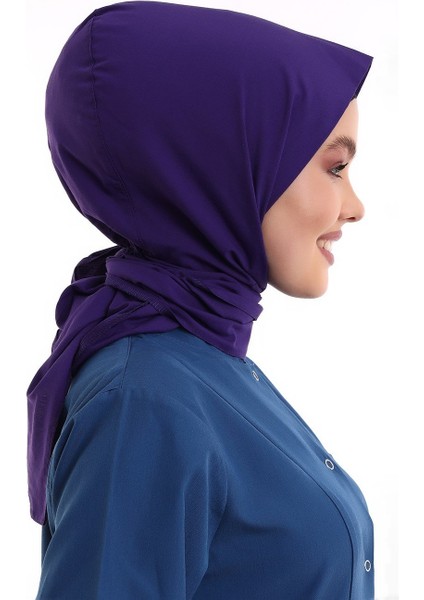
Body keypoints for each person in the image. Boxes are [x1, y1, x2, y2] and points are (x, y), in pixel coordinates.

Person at [27, 2, 374, 598]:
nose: (355, 207)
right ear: (226, 160)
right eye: (336, 168)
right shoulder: (144, 399)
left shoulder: (205, 360)